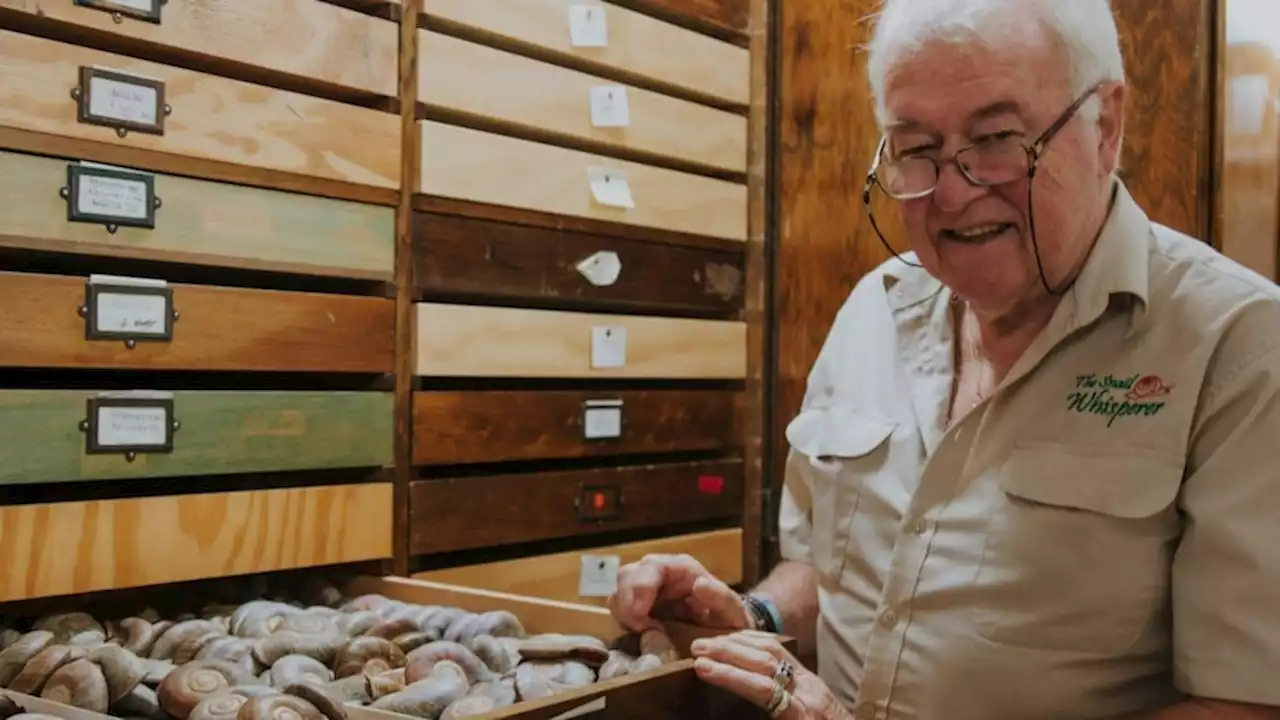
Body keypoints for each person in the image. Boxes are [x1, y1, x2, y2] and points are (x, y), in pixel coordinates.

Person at [606, 0, 1280, 718]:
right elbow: (826, 569)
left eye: (996, 139)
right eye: (916, 148)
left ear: (1105, 125)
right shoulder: (875, 310)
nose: (953, 193)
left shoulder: (1238, 348)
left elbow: (1242, 704)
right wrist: (754, 619)